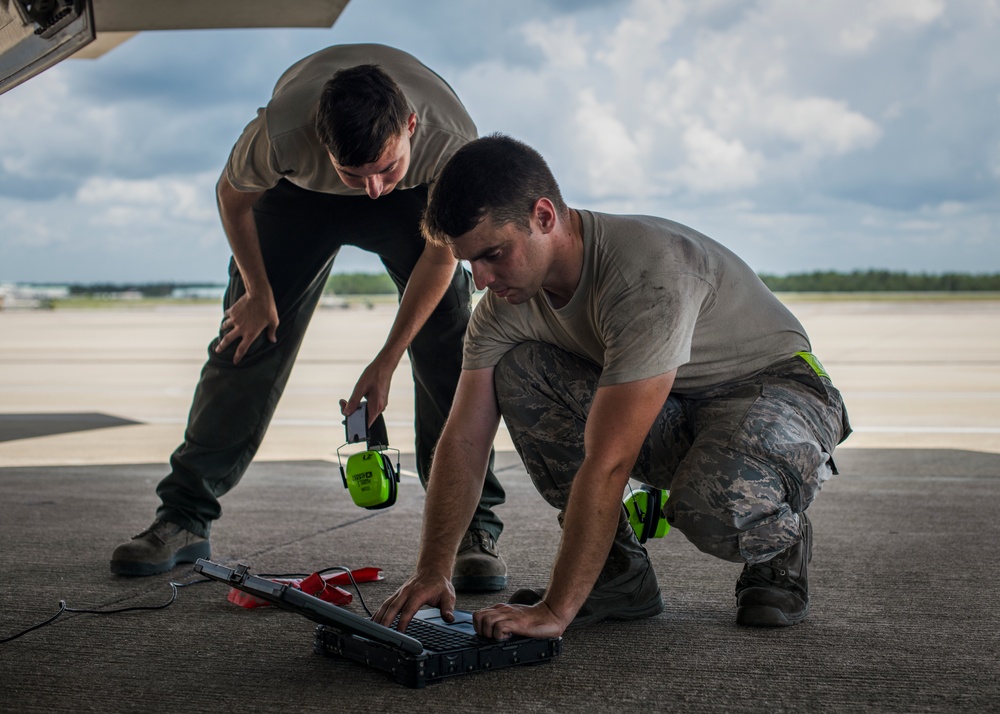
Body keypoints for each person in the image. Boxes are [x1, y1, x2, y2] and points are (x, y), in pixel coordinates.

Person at [374, 134, 851, 638]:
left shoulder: (645, 275)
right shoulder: (502, 310)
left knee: (713, 503)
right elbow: (464, 440)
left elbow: (611, 460)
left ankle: (781, 543)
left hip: (776, 392)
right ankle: (617, 578)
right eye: (470, 262)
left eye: (494, 254)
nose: (483, 277)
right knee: (518, 369)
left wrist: (555, 611)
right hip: (677, 404)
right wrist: (433, 569)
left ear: (543, 216)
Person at [110, 45, 508, 593]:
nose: (372, 188)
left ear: (412, 126)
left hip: (417, 201)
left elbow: (441, 256)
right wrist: (256, 292)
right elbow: (233, 199)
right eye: (355, 174)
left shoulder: (453, 145)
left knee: (450, 345)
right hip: (298, 197)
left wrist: (386, 360)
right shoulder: (279, 134)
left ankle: (473, 529)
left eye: (384, 167)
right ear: (324, 145)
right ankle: (182, 517)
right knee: (245, 341)